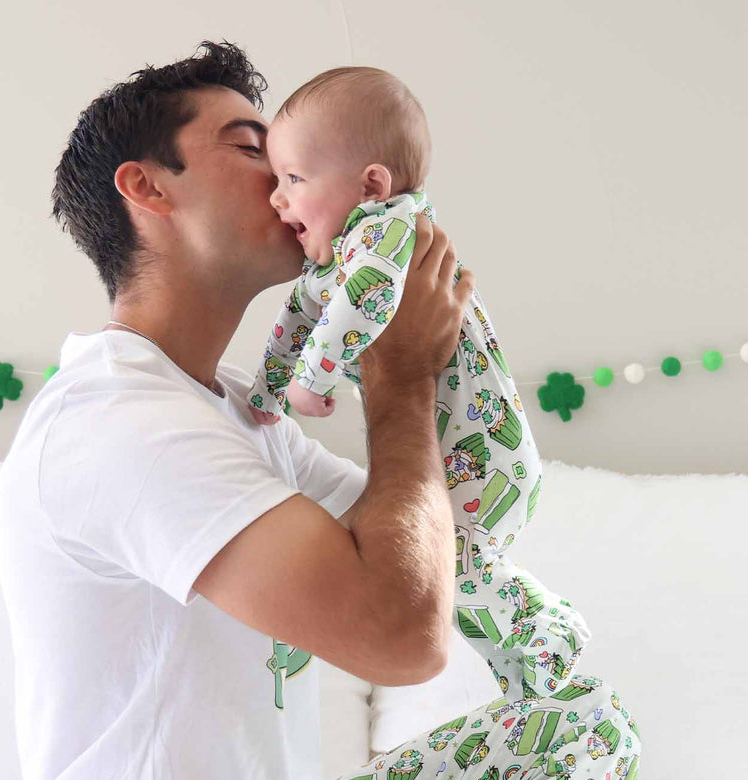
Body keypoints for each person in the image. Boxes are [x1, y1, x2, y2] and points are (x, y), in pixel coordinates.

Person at [0, 39, 718, 780]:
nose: (291, 171)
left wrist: (456, 361)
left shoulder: (236, 413)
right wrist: (399, 377)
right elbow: (399, 633)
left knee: (584, 734)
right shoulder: (118, 427)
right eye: (256, 148)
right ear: (148, 187)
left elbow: (440, 553)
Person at [245, 65, 592, 707]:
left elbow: (366, 304)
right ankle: (533, 663)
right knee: (452, 571)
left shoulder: (388, 234)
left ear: (371, 183)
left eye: (293, 179)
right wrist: (267, 392)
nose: (277, 198)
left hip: (487, 458)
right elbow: (299, 316)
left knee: (454, 570)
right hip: (456, 453)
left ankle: (548, 640)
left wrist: (313, 377)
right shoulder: (336, 257)